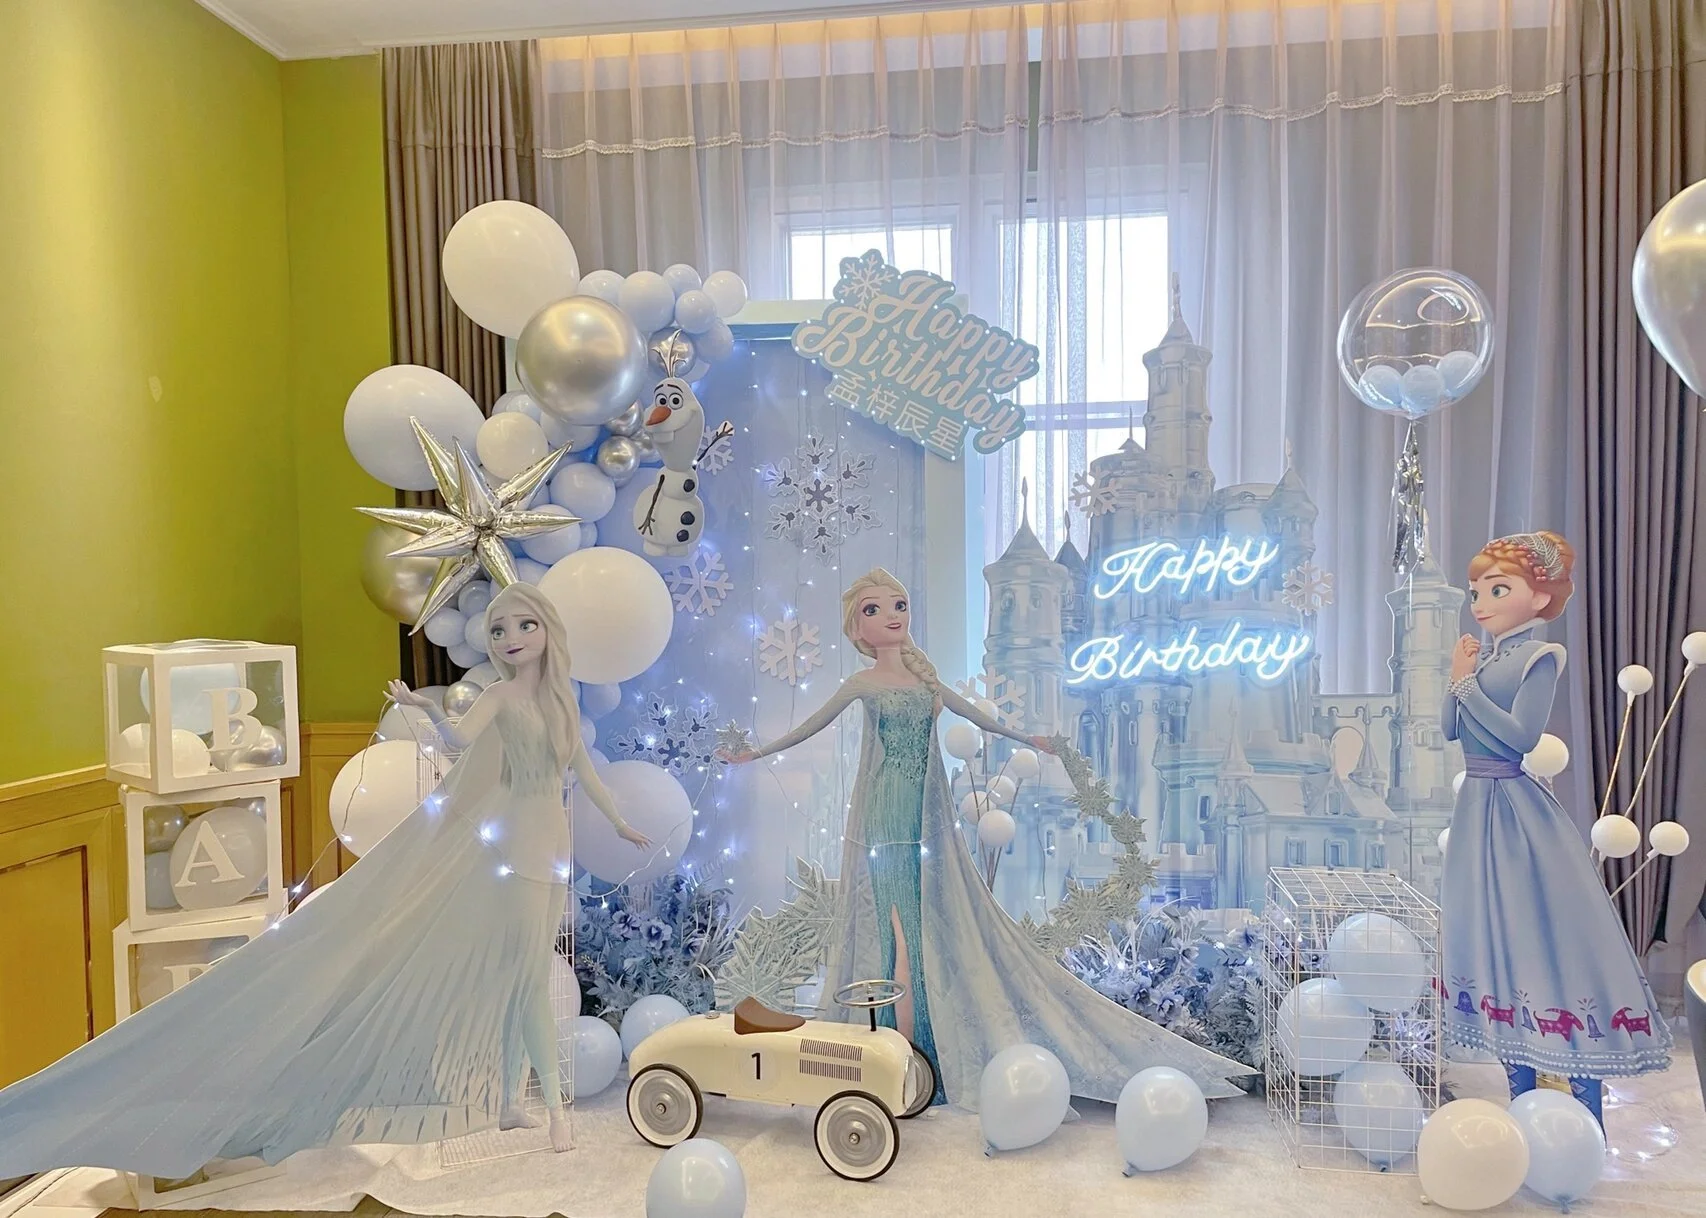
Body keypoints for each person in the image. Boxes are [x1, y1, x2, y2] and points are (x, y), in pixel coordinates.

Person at [0, 583, 649, 1178]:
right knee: (526, 974)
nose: (510, 639)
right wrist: (417, 709)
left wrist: (619, 821)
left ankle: (508, 1099)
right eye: (500, 628)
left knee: (516, 974)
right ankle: (552, 1107)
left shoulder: (559, 700)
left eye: (524, 625)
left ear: (546, 631)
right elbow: (456, 737)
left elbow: (582, 769)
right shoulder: (502, 697)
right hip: (512, 852)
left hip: (549, 848)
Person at [722, 567, 1249, 1107]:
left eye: (898, 605)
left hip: (920, 825)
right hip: (884, 819)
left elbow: (979, 717)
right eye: (875, 610)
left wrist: (1029, 738)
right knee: (895, 932)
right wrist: (752, 755)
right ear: (858, 628)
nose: (892, 617)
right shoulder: (861, 685)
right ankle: (898, 1050)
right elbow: (808, 727)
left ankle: (914, 1050)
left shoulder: (925, 683)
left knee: (917, 931)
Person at [1442, 531, 1671, 1126]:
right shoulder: (1486, 658)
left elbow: (1520, 737)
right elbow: (1451, 729)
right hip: (1477, 815)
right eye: (1477, 591)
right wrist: (1458, 673)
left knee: (1541, 936)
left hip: (1516, 811)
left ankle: (1583, 1111)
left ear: (1540, 597)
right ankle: (1523, 1104)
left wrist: (1467, 686)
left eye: (1498, 588)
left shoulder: (1541, 657)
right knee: (1496, 940)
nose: (1482, 602)